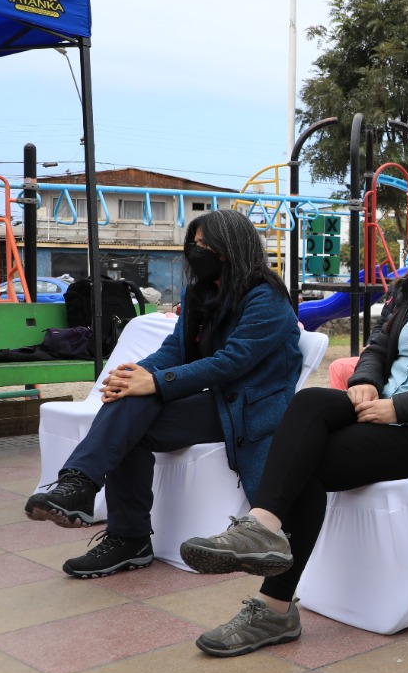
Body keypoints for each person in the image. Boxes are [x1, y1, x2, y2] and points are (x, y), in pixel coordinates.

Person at [177, 188, 408, 657]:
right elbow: (379, 347)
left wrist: (401, 408)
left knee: (309, 467)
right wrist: (364, 379)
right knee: (311, 403)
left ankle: (273, 606)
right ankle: (262, 526)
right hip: (380, 409)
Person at [25, 209, 302, 578]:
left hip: (253, 412)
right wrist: (135, 374)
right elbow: (176, 350)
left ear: (230, 248)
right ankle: (116, 525)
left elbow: (231, 362)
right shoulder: (201, 294)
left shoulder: (266, 298)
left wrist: (155, 382)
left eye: (205, 246)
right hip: (218, 404)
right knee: (129, 407)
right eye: (194, 243)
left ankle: (87, 494)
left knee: (139, 399)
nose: (194, 251)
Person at [327, 230, 408, 391]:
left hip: (402, 357)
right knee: (339, 367)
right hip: (384, 351)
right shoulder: (400, 286)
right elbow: (382, 323)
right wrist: (370, 345)